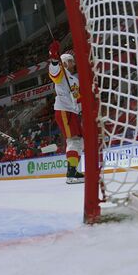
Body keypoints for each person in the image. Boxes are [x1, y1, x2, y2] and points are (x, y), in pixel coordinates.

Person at [48, 40, 85, 184]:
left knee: (79, 141)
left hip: (73, 112)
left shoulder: (74, 79)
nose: (73, 64)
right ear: (64, 63)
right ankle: (71, 174)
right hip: (64, 110)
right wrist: (53, 58)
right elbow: (54, 73)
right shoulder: (61, 74)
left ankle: (74, 169)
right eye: (71, 61)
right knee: (73, 140)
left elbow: (78, 98)